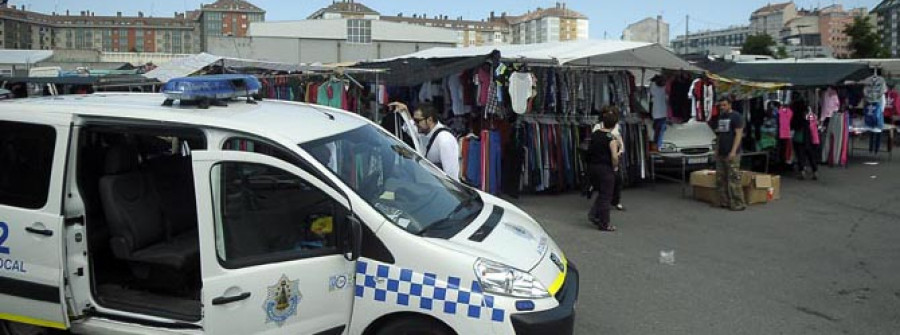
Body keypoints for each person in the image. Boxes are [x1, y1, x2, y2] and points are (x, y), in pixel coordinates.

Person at [709, 97, 746, 211]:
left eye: (724, 105)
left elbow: (739, 134)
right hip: (722, 151)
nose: (722, 107)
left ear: (730, 105)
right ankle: (723, 201)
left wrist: (733, 151)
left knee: (733, 178)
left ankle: (738, 203)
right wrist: (717, 150)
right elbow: (719, 135)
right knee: (721, 178)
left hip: (731, 151)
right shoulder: (721, 117)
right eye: (721, 105)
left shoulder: (736, 117)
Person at [587, 110, 621, 231]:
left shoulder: (595, 134)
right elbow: (614, 157)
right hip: (605, 169)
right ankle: (604, 223)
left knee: (601, 193)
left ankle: (594, 214)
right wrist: (615, 166)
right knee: (606, 196)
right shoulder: (611, 138)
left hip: (593, 167)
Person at [413, 104, 460, 181]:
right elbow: (411, 130)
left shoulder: (444, 139)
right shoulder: (427, 133)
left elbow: (451, 175)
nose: (415, 124)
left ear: (430, 120)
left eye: (417, 121)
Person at [592, 111, 625, 211]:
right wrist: (614, 165)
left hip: (600, 162)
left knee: (614, 183)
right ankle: (601, 219)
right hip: (606, 162)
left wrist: (620, 150)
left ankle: (596, 213)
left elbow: (620, 142)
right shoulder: (608, 137)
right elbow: (614, 157)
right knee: (606, 190)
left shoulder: (599, 134)